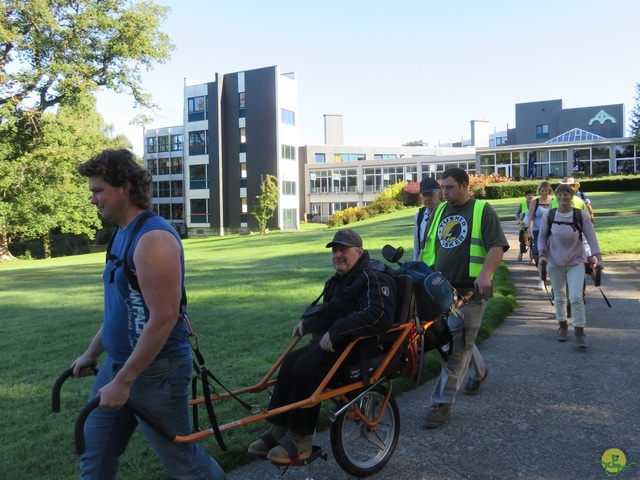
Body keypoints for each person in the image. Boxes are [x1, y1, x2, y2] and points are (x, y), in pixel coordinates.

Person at [72, 149, 227, 480]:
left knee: (183, 461)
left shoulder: (153, 239)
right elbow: (123, 307)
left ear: (125, 186)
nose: (93, 200)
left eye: (98, 190)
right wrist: (90, 353)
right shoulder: (120, 234)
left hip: (156, 371)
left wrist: (125, 381)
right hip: (118, 366)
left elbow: (164, 317)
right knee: (93, 454)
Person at [247, 229, 396, 464]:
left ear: (360, 251)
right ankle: (280, 428)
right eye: (335, 250)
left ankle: (300, 439)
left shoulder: (373, 277)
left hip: (360, 351)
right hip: (336, 348)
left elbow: (378, 316)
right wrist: (308, 324)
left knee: (306, 367)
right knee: (291, 362)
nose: (338, 255)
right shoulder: (339, 280)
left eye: (343, 250)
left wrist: (337, 332)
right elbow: (330, 312)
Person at [421, 167, 509, 429]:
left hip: (472, 291)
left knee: (455, 350)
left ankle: (441, 405)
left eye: (448, 188)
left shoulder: (482, 210)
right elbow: (430, 248)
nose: (443, 193)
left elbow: (497, 246)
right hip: (442, 291)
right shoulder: (439, 211)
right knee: (457, 339)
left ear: (464, 185)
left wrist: (486, 274)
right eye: (442, 188)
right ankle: (480, 374)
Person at [537, 183, 603, 349]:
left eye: (566, 194)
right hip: (554, 262)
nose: (563, 197)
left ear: (571, 196)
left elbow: (591, 238)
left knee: (576, 297)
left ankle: (580, 333)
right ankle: (563, 327)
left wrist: (598, 259)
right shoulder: (549, 215)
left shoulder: (580, 216)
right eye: (560, 194)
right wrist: (542, 256)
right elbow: (542, 237)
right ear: (556, 197)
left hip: (576, 262)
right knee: (559, 297)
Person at [528, 180, 553, 288]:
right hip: (538, 231)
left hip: (551, 231)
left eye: (546, 191)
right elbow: (531, 217)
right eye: (542, 191)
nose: (544, 193)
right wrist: (530, 230)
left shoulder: (553, 202)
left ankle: (550, 275)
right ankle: (541, 280)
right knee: (540, 255)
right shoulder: (535, 202)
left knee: (551, 255)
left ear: (549, 191)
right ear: (539, 191)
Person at [413, 177, 443, 261]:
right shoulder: (419, 216)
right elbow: (417, 243)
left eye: (430, 194)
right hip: (424, 266)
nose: (427, 198)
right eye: (424, 195)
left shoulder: (447, 212)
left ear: (440, 194)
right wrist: (415, 264)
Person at [515, 190, 534, 261]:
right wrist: (518, 220)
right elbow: (517, 214)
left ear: (533, 196)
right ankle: (521, 252)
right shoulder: (522, 204)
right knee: (523, 242)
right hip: (523, 227)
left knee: (532, 243)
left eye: (531, 195)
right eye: (528, 195)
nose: (530, 196)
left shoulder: (535, 204)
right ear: (525, 196)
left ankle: (531, 259)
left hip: (532, 227)